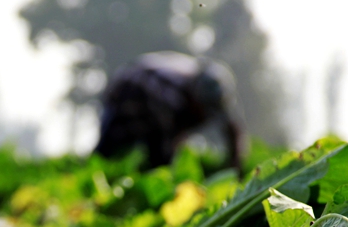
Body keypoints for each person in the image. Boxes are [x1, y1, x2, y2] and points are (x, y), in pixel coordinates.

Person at [94, 51, 243, 169]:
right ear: (193, 97)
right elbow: (164, 147)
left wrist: (236, 164)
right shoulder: (167, 95)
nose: (204, 116)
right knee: (108, 151)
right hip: (126, 97)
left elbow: (233, 128)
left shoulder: (213, 91)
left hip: (153, 98)